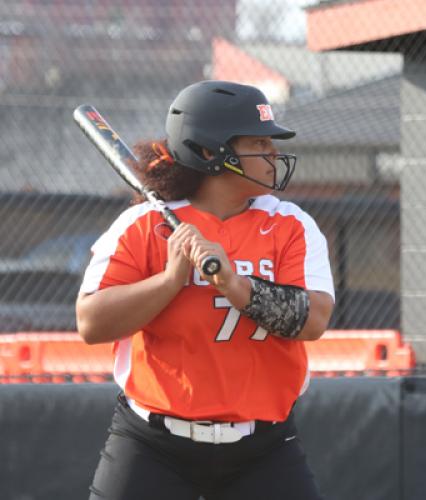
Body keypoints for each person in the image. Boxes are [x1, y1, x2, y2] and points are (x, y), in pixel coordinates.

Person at [77, 80, 335, 500]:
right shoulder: (142, 225)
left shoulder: (292, 226)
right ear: (211, 152)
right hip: (151, 443)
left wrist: (235, 285)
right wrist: (169, 280)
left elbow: (313, 319)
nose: (273, 154)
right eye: (259, 144)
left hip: (263, 448)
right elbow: (91, 323)